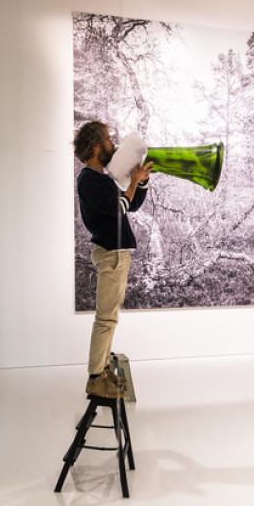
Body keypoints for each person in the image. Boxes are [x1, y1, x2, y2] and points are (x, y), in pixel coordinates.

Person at [74, 120, 153, 399]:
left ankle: (102, 370)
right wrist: (132, 182)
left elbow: (131, 204)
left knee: (109, 317)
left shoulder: (100, 179)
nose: (112, 144)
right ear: (96, 146)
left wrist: (141, 181)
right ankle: (96, 378)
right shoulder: (89, 179)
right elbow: (119, 207)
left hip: (115, 253)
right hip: (111, 254)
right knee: (106, 318)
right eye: (107, 140)